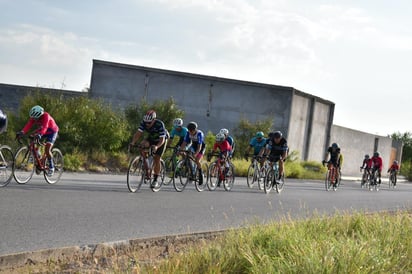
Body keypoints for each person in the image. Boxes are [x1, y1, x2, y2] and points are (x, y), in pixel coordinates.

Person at [16, 105, 59, 176]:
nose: (35, 120)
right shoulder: (34, 117)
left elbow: (45, 127)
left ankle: (51, 167)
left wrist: (40, 134)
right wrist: (22, 132)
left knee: (47, 149)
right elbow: (28, 125)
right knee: (32, 137)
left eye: (36, 118)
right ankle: (37, 155)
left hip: (52, 131)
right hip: (43, 130)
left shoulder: (46, 116)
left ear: (40, 115)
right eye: (34, 118)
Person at [130, 110, 168, 188]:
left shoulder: (159, 124)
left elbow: (162, 139)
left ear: (153, 120)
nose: (147, 124)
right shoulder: (144, 122)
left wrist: (157, 146)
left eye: (149, 123)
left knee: (157, 158)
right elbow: (138, 134)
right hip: (151, 138)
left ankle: (155, 179)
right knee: (141, 145)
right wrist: (133, 142)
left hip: (161, 140)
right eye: (146, 122)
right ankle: (146, 164)